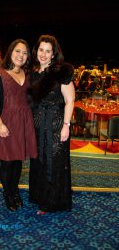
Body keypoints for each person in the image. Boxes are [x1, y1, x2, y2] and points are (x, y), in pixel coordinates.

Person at [0, 39, 37, 212]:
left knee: (17, 161)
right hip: (5, 123)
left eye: (24, 52)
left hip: (23, 123)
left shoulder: (28, 74)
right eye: (17, 51)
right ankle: (8, 193)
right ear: (10, 52)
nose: (21, 55)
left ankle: (14, 191)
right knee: (7, 163)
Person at [28, 34, 75, 214]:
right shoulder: (32, 72)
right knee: (39, 161)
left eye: (48, 51)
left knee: (53, 163)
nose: (44, 54)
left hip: (55, 125)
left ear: (54, 54)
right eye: (41, 50)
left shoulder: (61, 72)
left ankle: (52, 202)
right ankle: (40, 196)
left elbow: (70, 100)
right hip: (37, 125)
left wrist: (66, 125)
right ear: (36, 51)